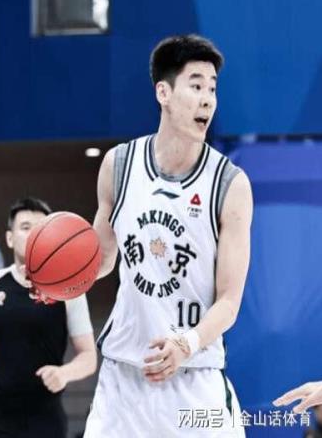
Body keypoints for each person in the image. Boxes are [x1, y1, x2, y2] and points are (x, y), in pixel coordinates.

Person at [83, 34, 253, 437]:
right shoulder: (119, 166)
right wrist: (59, 283)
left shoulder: (230, 185)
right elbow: (100, 261)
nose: (207, 100)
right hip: (124, 380)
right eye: (196, 86)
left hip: (194, 376)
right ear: (164, 93)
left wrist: (186, 343)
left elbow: (229, 301)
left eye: (212, 88)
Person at [0, 197, 97, 438]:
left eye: (41, 228)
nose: (34, 235)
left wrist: (64, 373)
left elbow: (89, 357)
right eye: (25, 227)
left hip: (46, 419)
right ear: (9, 238)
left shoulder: (68, 290)